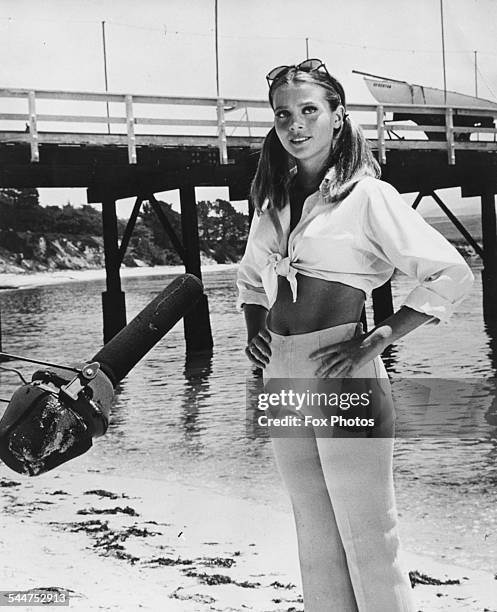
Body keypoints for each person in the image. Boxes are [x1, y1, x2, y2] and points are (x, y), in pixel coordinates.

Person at [236, 59, 474, 612]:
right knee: (314, 535)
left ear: (338, 117)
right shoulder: (271, 202)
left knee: (370, 538)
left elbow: (449, 273)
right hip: (282, 372)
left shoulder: (368, 197)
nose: (296, 126)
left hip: (341, 366)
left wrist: (379, 338)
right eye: (284, 115)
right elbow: (250, 280)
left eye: (309, 111)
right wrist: (254, 328)